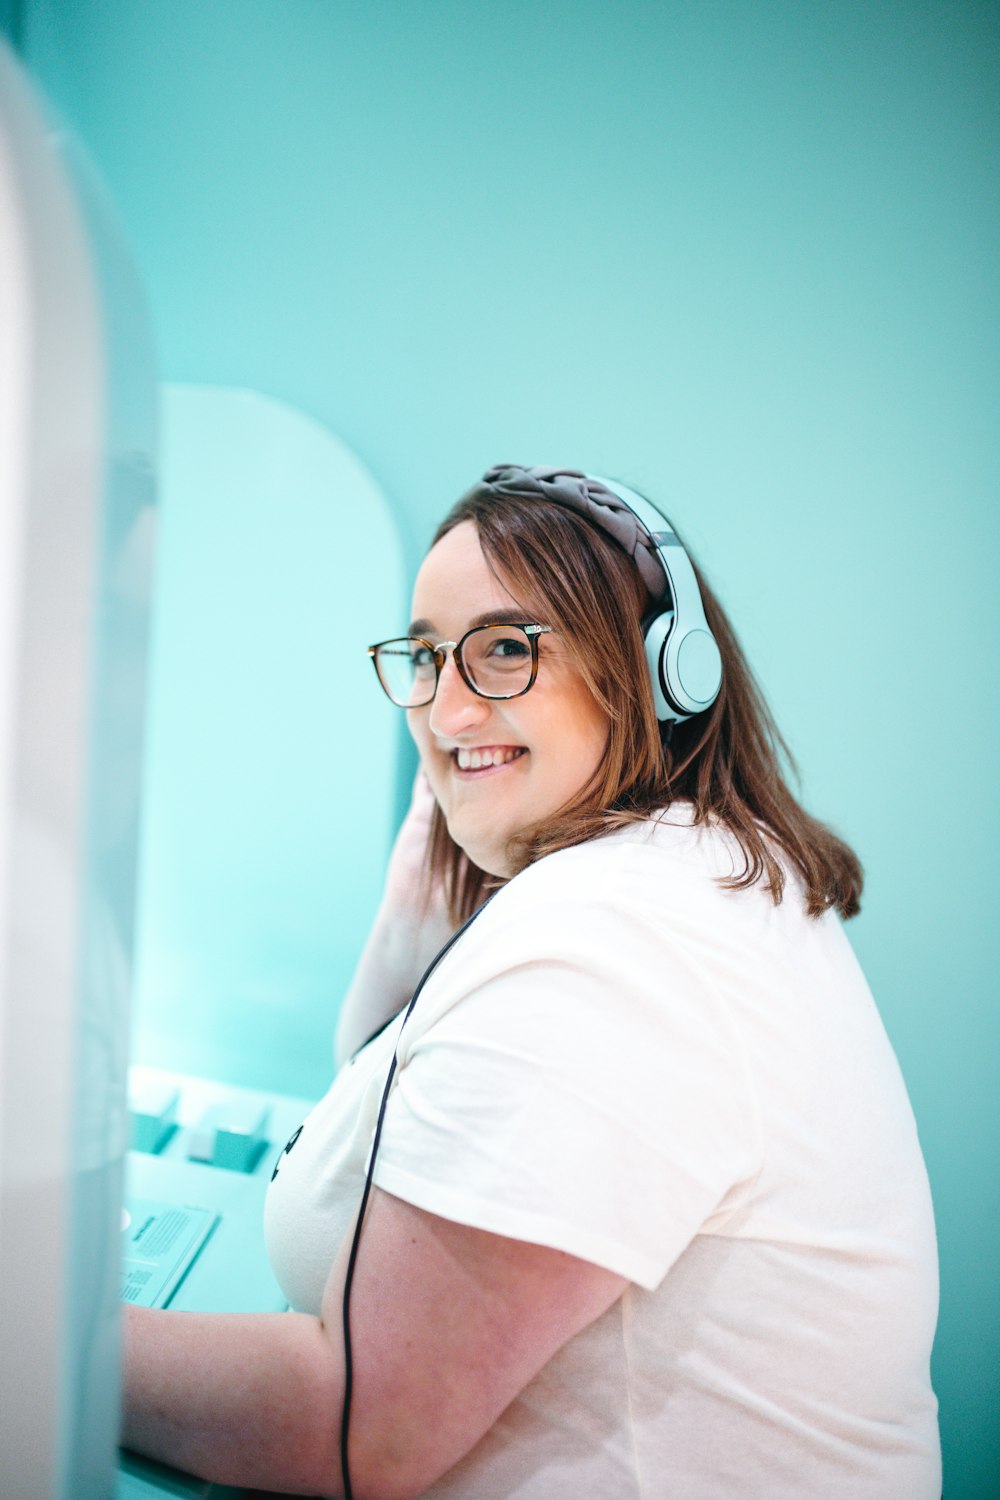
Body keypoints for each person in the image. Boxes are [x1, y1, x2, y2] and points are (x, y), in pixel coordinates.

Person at [123, 464, 940, 1499]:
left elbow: (351, 1426)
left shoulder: (609, 948)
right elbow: (379, 1122)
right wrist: (413, 922)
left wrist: (44, 1330)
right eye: (423, 658)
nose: (448, 709)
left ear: (658, 674)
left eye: (504, 650)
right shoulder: (696, 868)